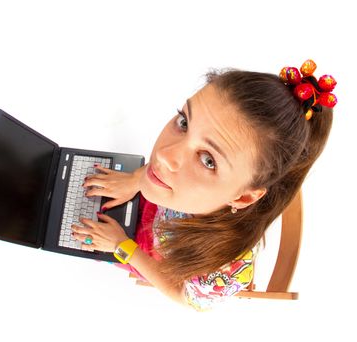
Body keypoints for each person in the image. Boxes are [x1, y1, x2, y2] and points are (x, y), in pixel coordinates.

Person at [70, 60, 337, 311]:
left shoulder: (224, 271)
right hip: (159, 208)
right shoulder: (182, 182)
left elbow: (182, 296)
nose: (164, 156)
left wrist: (123, 246)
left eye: (208, 160)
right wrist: (137, 180)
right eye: (184, 122)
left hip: (149, 255)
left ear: (243, 198)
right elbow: (166, 161)